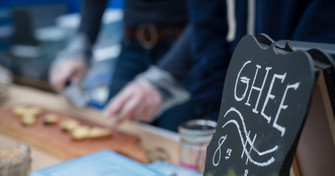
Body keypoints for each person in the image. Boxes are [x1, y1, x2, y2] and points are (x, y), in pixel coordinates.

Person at [49, 0, 196, 131]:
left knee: (178, 144)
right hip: (132, 46)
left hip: (186, 49)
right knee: (112, 130)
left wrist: (169, 74)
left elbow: (212, 10)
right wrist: (82, 47)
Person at [187, 0, 335, 120]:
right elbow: (207, 36)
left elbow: (314, 48)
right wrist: (214, 117)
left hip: (306, 106)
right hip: (232, 100)